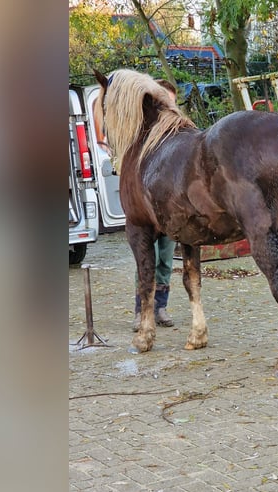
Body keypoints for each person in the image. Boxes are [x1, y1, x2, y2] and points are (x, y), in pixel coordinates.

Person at [129, 78, 179, 330]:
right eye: (164, 101)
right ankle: (142, 310)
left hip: (170, 210)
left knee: (166, 261)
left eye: (172, 101)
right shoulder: (144, 136)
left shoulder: (180, 134)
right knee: (147, 258)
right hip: (148, 211)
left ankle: (161, 306)